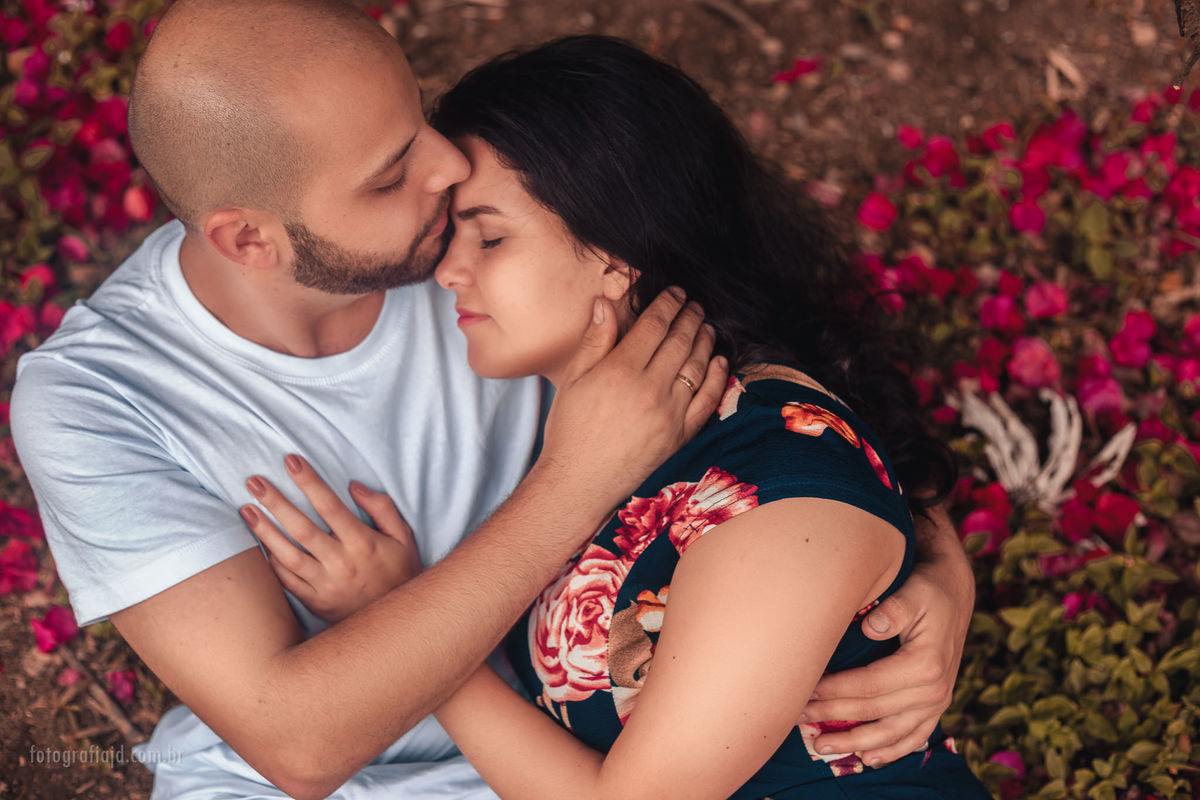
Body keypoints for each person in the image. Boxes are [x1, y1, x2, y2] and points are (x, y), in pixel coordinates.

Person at [9, 2, 973, 798]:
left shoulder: (479, 247)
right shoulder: (100, 397)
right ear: (249, 240)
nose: (442, 170)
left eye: (418, 120)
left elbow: (784, 391)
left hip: (576, 753)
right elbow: (296, 744)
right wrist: (577, 477)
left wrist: (929, 563)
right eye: (391, 176)